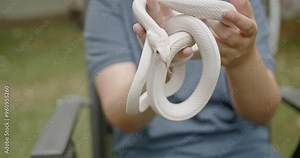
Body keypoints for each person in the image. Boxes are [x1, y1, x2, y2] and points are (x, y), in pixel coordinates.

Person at [84, 0, 282, 157]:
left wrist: (243, 60)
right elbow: (122, 115)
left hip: (244, 150)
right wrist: (158, 64)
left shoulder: (239, 5)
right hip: (153, 151)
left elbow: (263, 111)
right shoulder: (110, 4)